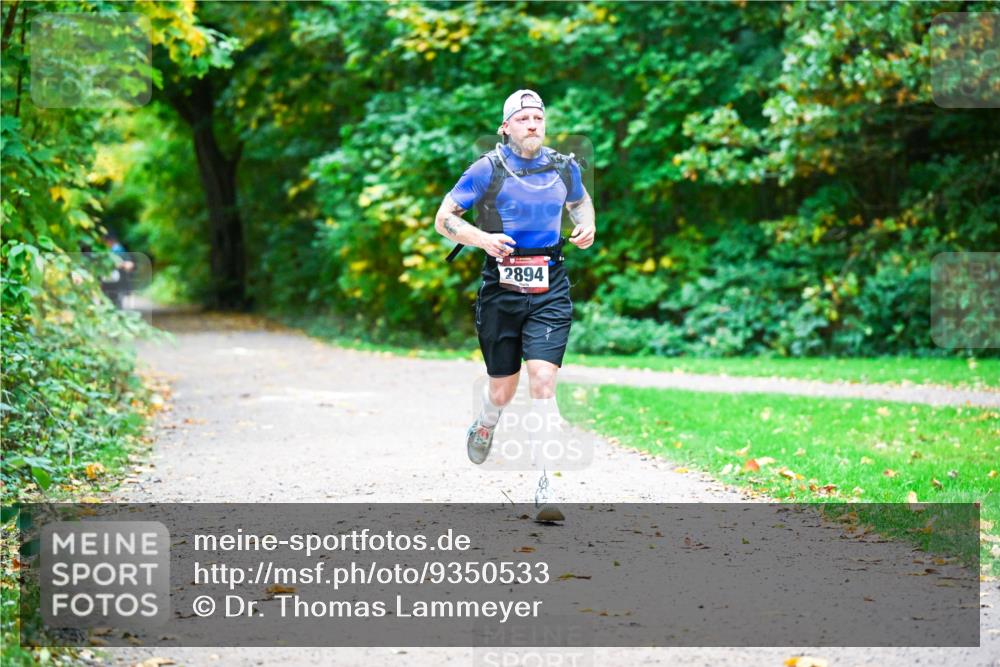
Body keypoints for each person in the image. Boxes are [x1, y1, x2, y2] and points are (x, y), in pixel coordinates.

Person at [434, 90, 596, 522]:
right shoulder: (487, 169)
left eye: (538, 117)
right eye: (523, 117)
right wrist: (483, 239)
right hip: (501, 289)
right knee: (502, 389)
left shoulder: (564, 167)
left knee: (543, 382)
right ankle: (487, 421)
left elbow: (580, 202)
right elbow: (444, 217)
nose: (532, 124)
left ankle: (545, 488)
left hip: (550, 284)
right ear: (506, 127)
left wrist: (587, 226)